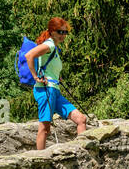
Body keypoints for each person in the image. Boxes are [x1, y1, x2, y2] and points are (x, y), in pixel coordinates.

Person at [24, 17, 88, 150]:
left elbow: (49, 67)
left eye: (65, 32)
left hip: (55, 90)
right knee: (45, 128)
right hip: (45, 90)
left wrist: (56, 76)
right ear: (52, 32)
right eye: (60, 32)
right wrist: (35, 77)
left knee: (81, 119)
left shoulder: (54, 48)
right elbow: (29, 56)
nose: (63, 35)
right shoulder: (50, 45)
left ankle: (83, 152)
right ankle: (39, 160)